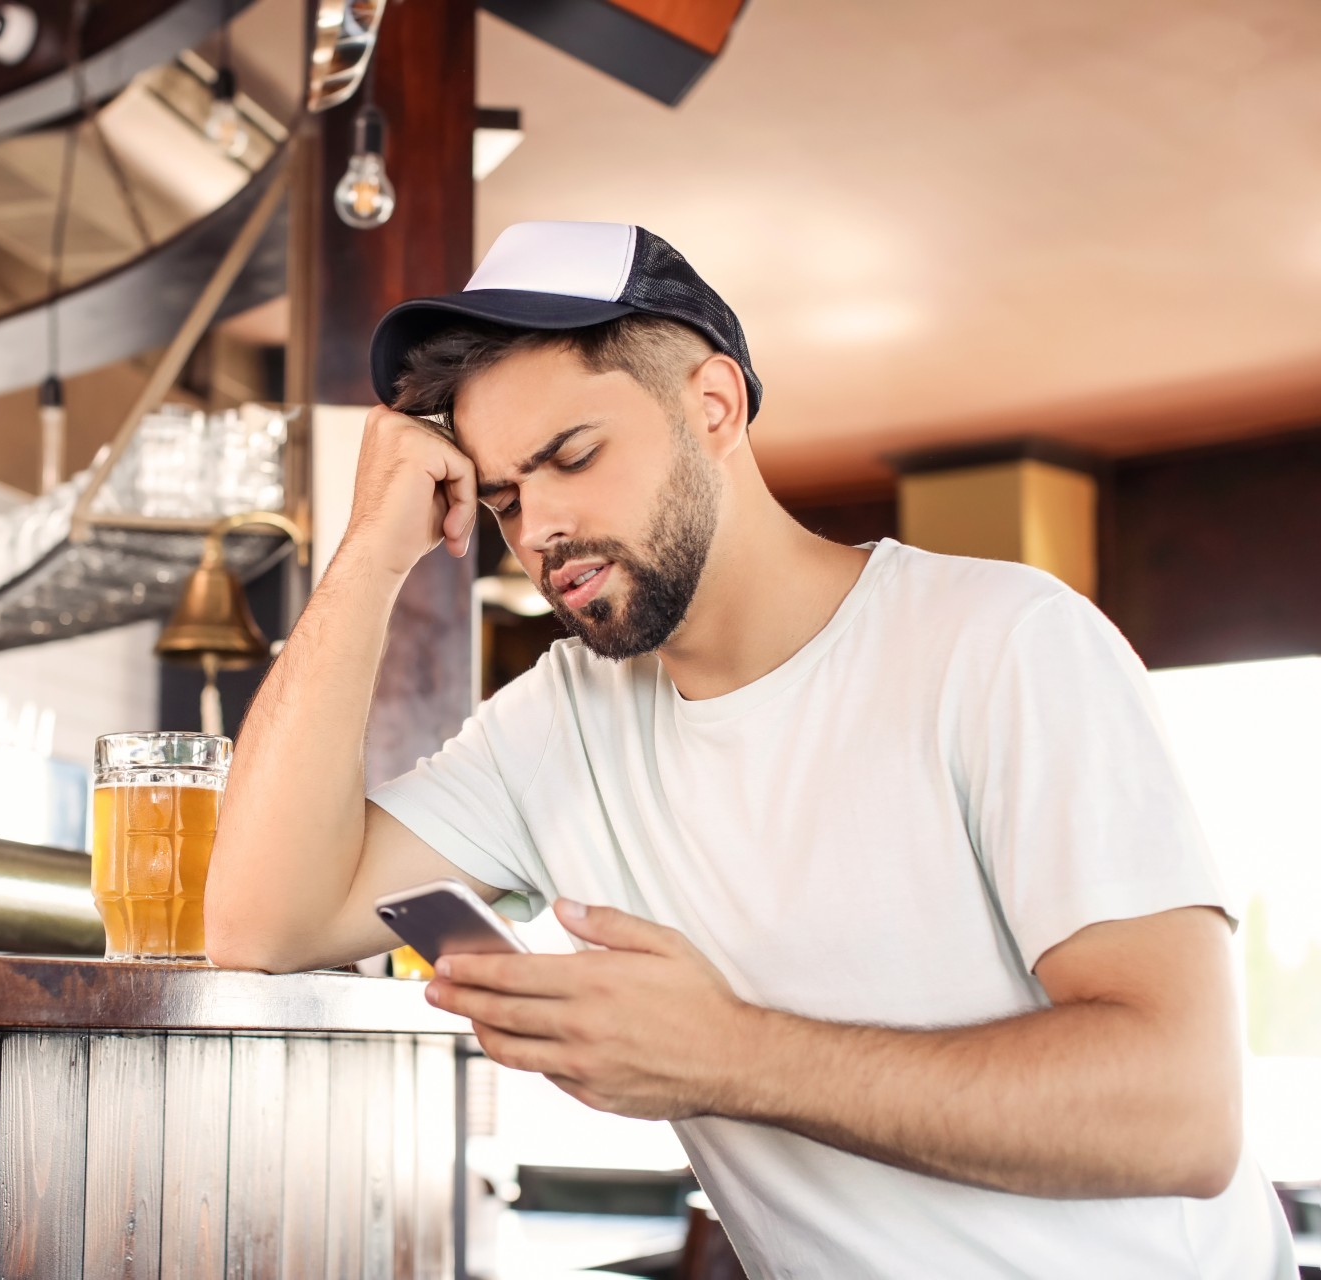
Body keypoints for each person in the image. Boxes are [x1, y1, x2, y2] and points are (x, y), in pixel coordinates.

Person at [204, 220, 1296, 1277]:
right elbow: (259, 922)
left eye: (572, 456)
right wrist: (368, 555)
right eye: (501, 496)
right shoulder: (563, 722)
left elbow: (1181, 1111)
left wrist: (726, 1051)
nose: (536, 529)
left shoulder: (1003, 643)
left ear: (714, 405)